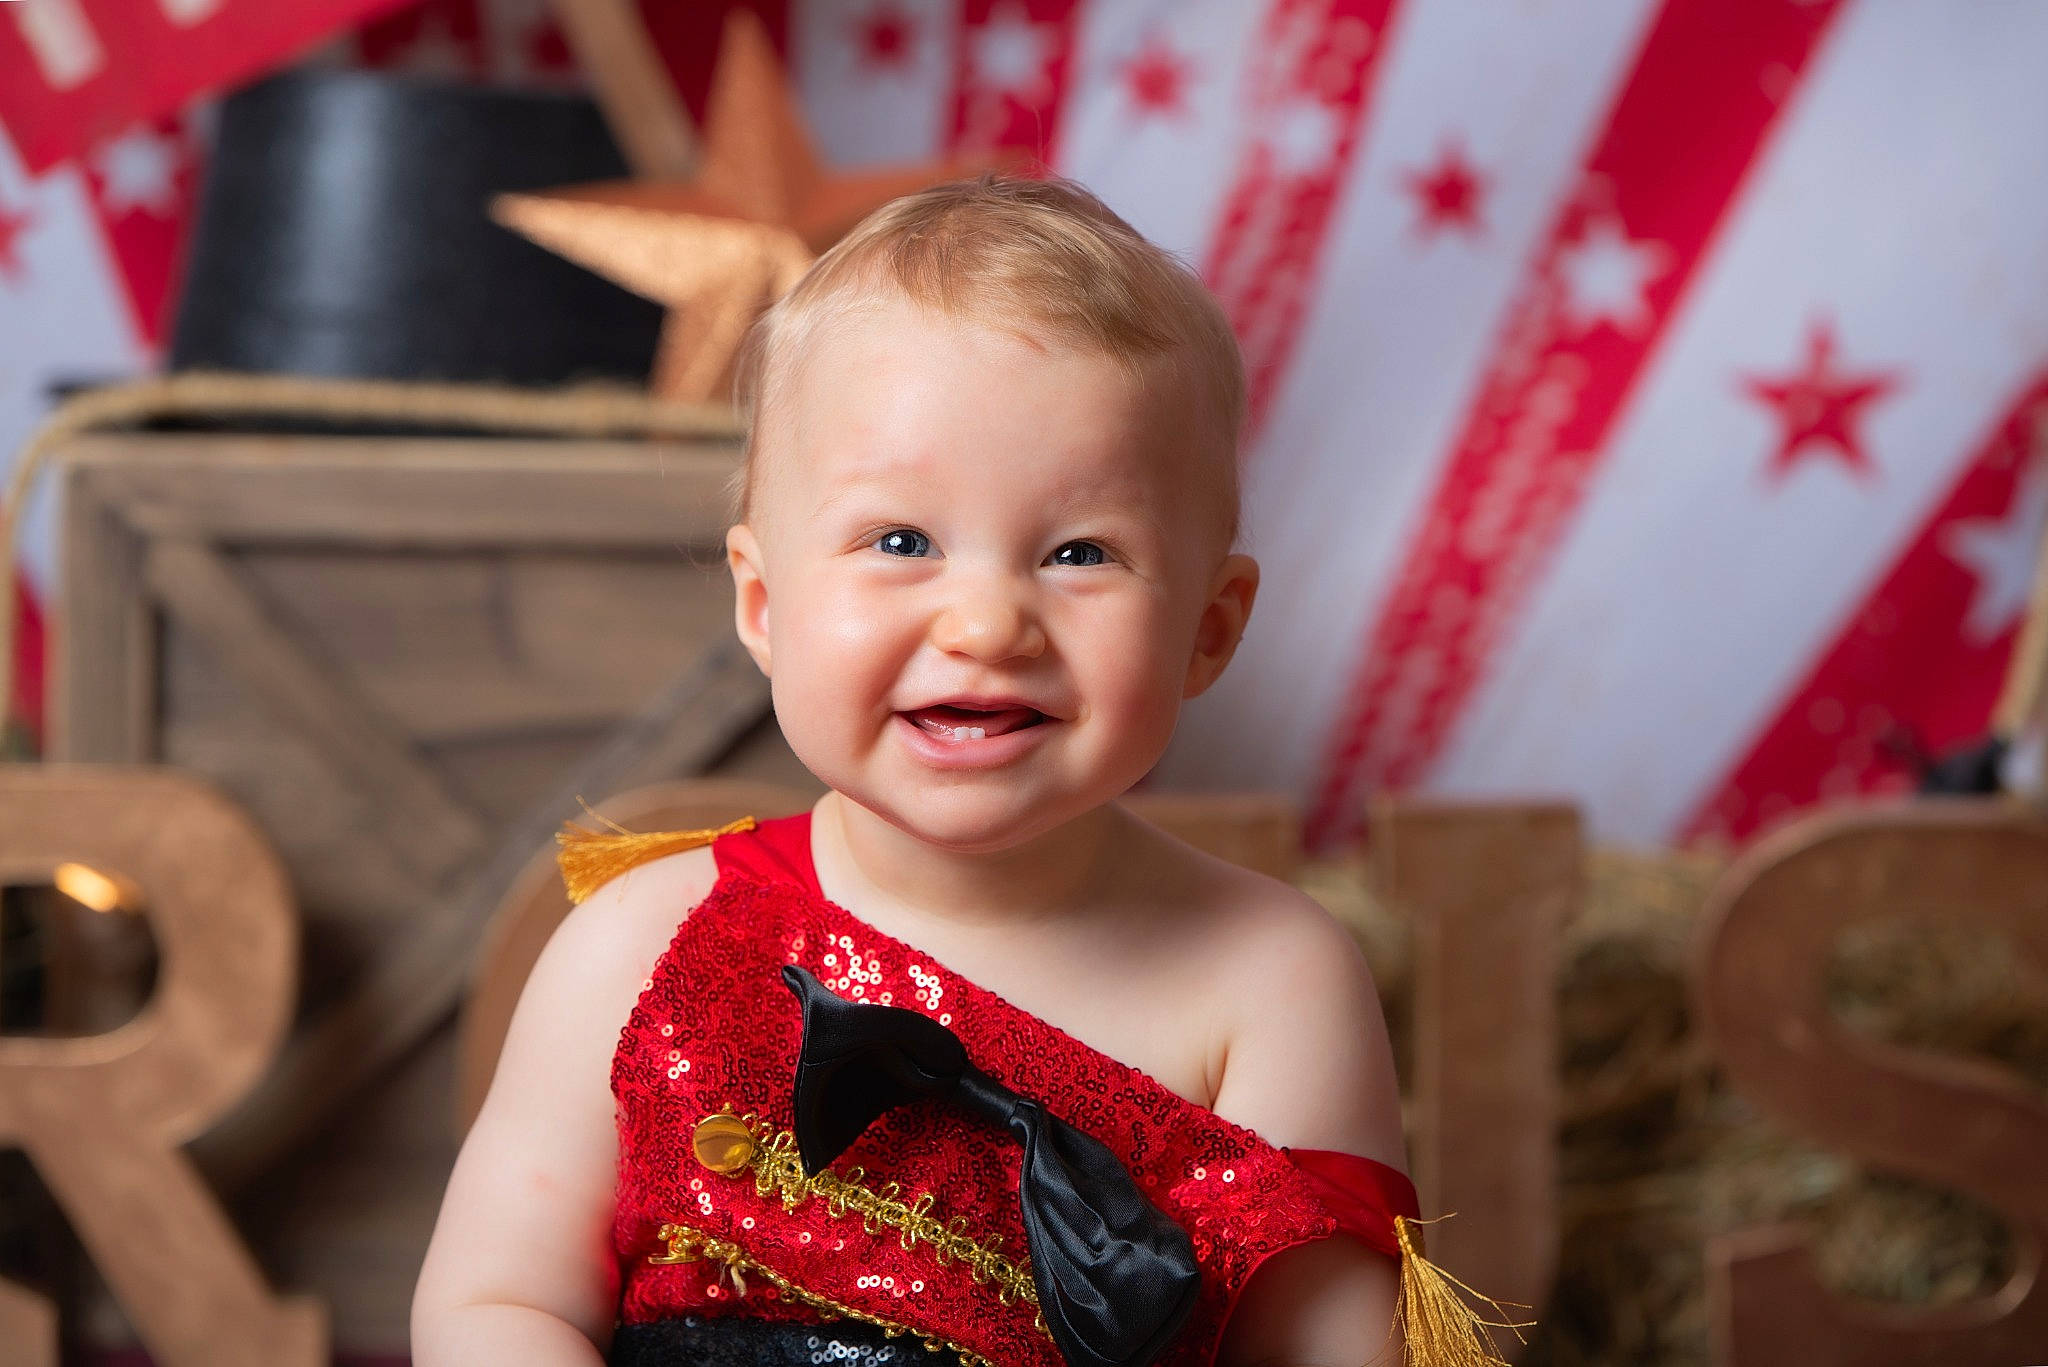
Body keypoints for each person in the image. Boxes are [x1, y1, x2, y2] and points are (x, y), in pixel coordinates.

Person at [413, 173, 1507, 1367]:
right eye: (901, 540)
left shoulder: (1270, 979)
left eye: (1079, 552)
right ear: (765, 605)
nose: (986, 624)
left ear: (1206, 629)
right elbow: (496, 1304)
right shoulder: (643, 943)